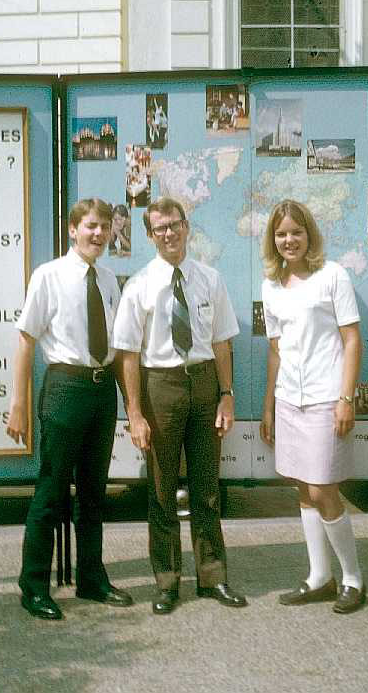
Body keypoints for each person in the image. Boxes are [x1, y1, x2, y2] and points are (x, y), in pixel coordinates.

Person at [113, 197, 247, 615]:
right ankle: (167, 581)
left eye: (174, 225)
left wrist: (227, 394)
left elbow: (223, 341)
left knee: (207, 488)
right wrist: (134, 413)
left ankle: (213, 576)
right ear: (150, 236)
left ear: (187, 228)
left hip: (204, 383)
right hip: (161, 388)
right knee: (161, 489)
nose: (168, 234)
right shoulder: (138, 286)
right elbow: (128, 355)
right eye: (159, 229)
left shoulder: (210, 279)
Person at [6, 198, 134, 621]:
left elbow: (117, 348)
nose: (99, 234)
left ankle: (92, 579)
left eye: (105, 228)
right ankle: (34, 586)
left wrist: (130, 405)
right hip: (64, 388)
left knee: (95, 494)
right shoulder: (49, 276)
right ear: (73, 229)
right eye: (91, 227)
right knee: (53, 491)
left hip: (100, 392)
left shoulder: (111, 280)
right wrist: (19, 404)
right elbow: (26, 339)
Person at [259, 200, 366, 614]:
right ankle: (319, 577)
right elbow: (275, 351)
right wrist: (268, 405)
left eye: (296, 233)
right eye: (282, 234)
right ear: (274, 240)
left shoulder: (332, 276)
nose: (289, 241)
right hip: (289, 399)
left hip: (326, 398)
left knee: (323, 489)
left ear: (310, 236)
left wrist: (346, 398)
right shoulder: (270, 286)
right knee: (303, 489)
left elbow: (352, 340)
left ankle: (353, 579)